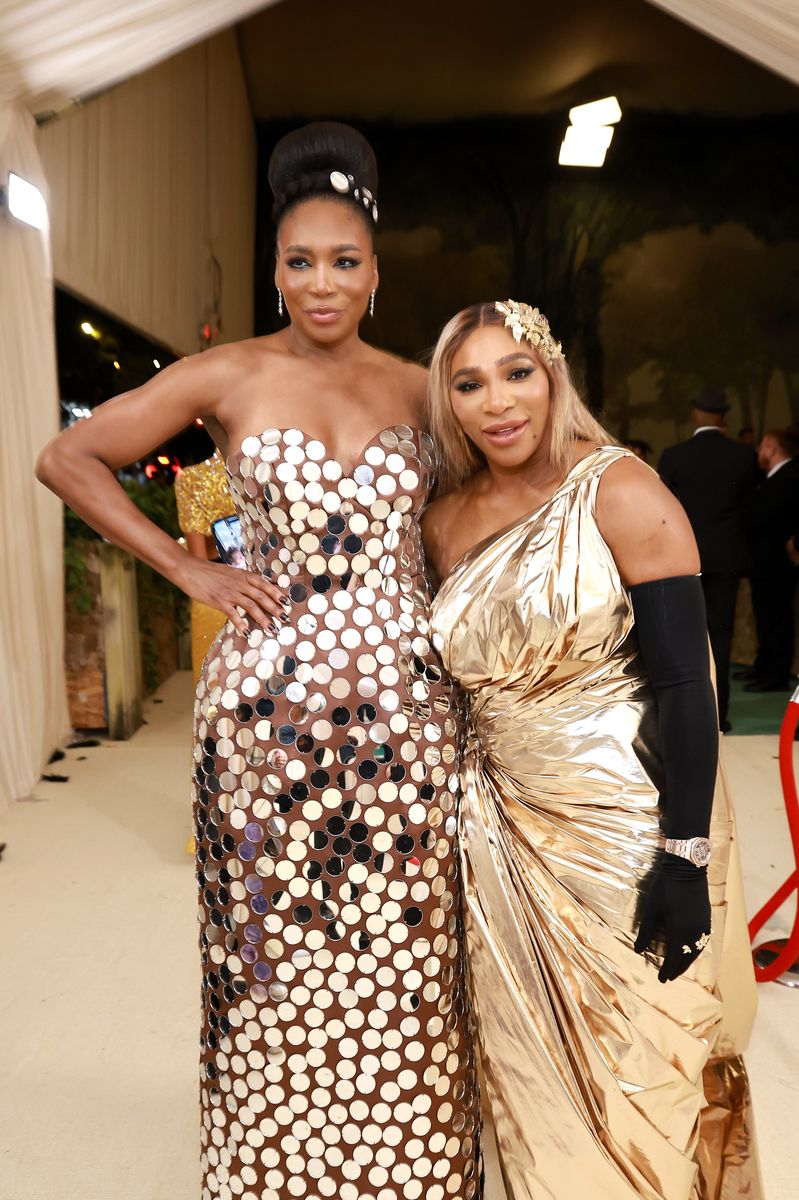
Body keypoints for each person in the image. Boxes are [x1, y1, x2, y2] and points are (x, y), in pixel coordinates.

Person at [37, 122, 481, 1200]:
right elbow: (67, 456)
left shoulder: (425, 389)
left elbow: (488, 511)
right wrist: (186, 573)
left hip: (408, 715)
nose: (320, 283)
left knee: (405, 946)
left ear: (375, 272)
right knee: (270, 940)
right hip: (265, 717)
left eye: (342, 261)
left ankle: (407, 1172)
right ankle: (273, 1165)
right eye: (298, 261)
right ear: (275, 270)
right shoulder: (227, 373)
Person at [422, 301, 761, 1200]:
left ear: (552, 376)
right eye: (469, 382)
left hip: (624, 832)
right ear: (447, 402)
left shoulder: (621, 489)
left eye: (515, 372)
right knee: (528, 1085)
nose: (497, 401)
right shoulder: (444, 521)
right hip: (497, 839)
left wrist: (683, 856)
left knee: (639, 1074)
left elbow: (689, 688)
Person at [658, 389, 758, 732]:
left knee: (682, 636)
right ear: (723, 417)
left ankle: (688, 718)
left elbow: (664, 510)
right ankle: (720, 715)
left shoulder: (675, 456)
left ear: (695, 415)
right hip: (726, 557)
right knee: (721, 634)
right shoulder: (744, 456)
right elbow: (749, 510)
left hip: (682, 558)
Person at [744, 429, 799, 692]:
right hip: (765, 562)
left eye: (762, 447)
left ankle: (775, 676)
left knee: (776, 619)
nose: (759, 453)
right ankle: (763, 667)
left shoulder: (788, 477)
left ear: (771, 448)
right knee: (766, 617)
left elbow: (760, 516)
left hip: (776, 563)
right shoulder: (773, 478)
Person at [174, 449, 233, 682]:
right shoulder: (271, 473)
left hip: (215, 594)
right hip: (272, 588)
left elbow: (199, 559)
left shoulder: (191, 479)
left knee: (215, 689)